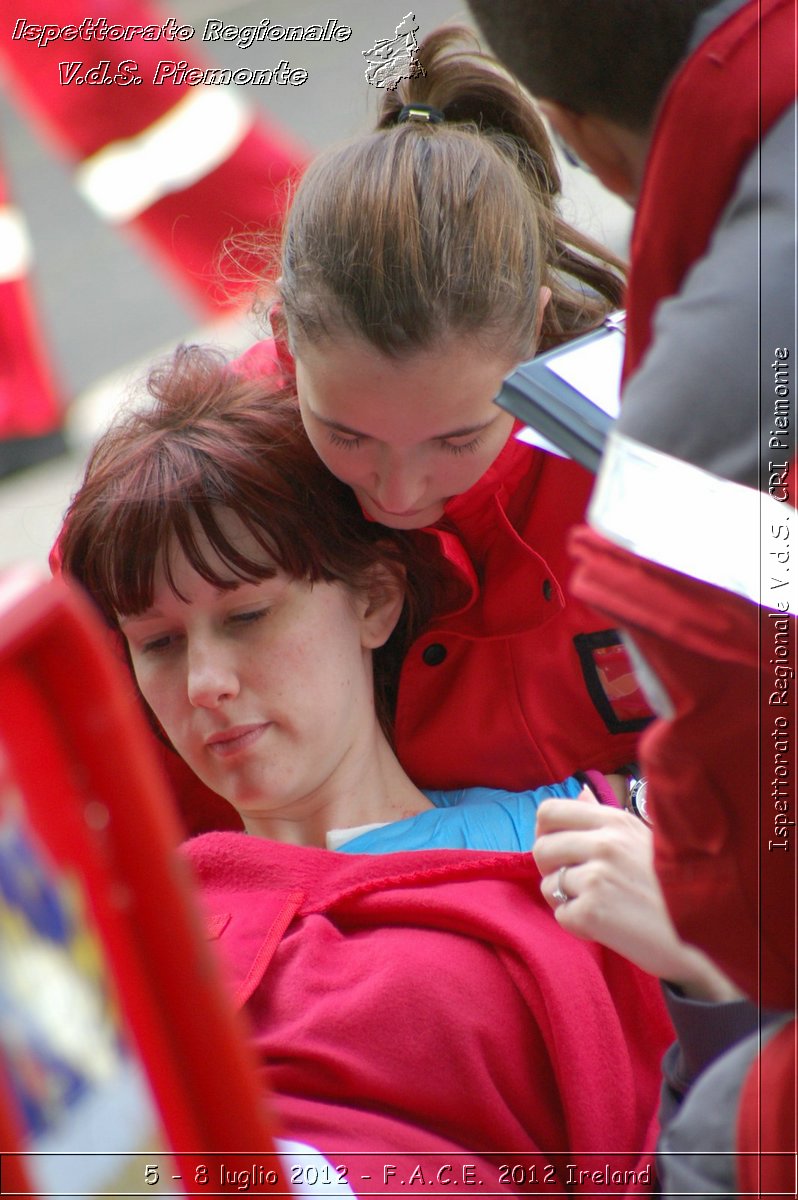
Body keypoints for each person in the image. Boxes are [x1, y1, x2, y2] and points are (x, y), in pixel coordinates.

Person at [58, 344, 679, 1188]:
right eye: (158, 643)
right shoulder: (113, 935)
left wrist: (699, 970)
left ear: (375, 600)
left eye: (247, 616)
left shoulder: (594, 841)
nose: (204, 684)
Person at [464, 0, 796, 1192]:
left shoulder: (690, 461)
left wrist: (704, 938)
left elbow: (768, 910)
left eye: (459, 438)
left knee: (725, 1137)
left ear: (580, 141)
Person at [222, 26, 657, 826]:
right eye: (346, 435)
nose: (398, 490)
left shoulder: (673, 446)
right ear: (285, 343)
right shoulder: (215, 473)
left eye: (458, 440)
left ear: (535, 331)